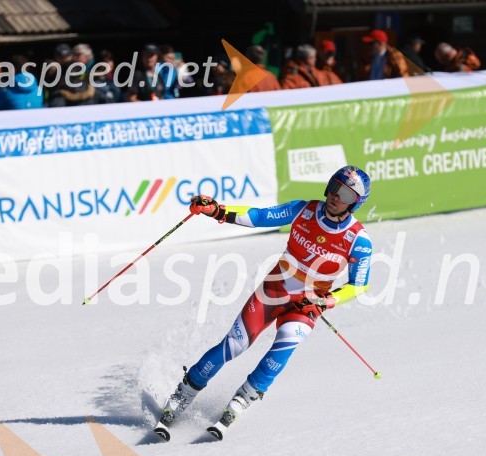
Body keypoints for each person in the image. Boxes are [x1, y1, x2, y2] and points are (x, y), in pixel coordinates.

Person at [154, 166, 374, 441]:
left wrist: (325, 301)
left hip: (306, 305)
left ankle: (241, 400)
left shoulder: (359, 240)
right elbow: (260, 216)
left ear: (355, 202)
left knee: (282, 347)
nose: (336, 195)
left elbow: (360, 284)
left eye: (346, 193)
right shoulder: (303, 210)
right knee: (234, 345)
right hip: (273, 291)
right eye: (334, 186)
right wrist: (218, 211)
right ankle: (182, 394)